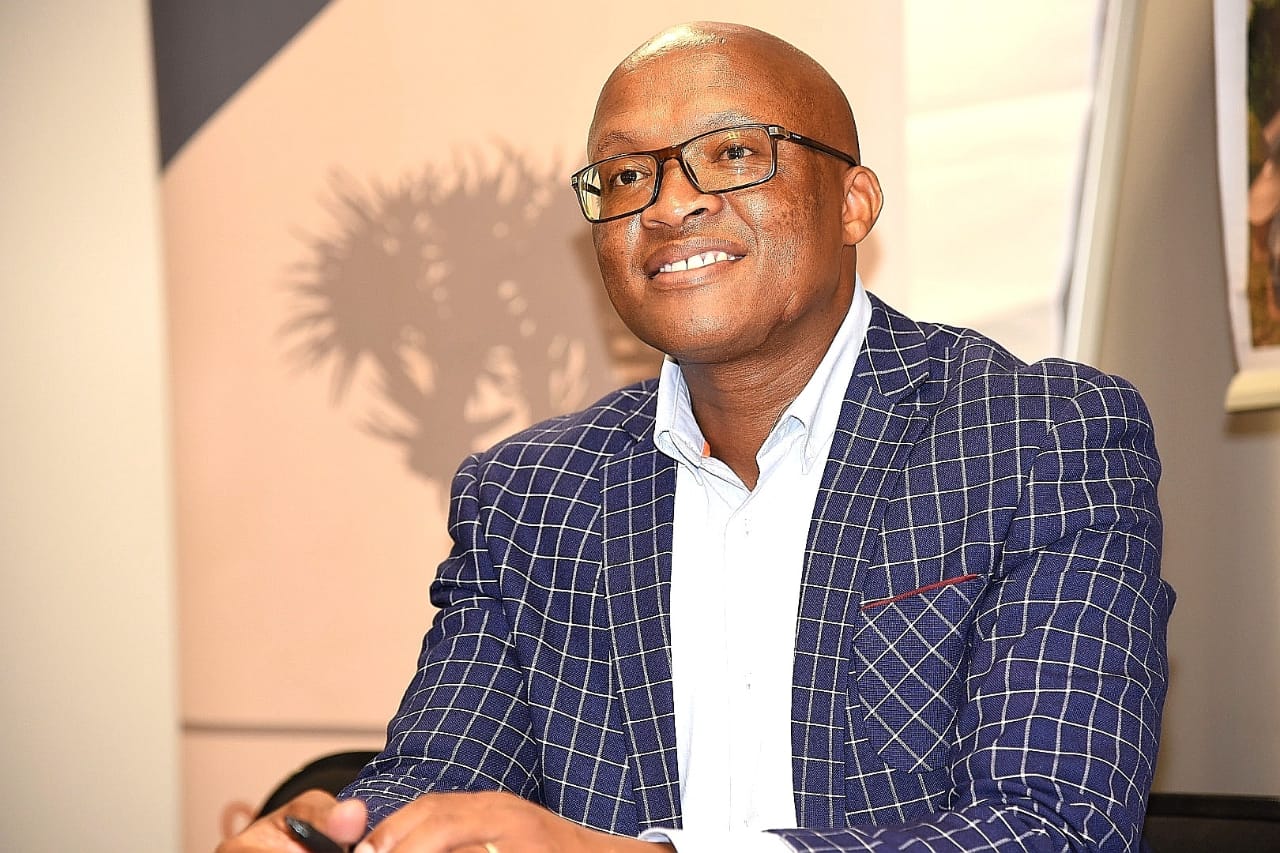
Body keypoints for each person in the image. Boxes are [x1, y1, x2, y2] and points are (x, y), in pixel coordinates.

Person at [222, 21, 1173, 853]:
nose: (669, 203)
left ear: (854, 203)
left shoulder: (1039, 436)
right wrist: (352, 833)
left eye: (731, 153)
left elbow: (1053, 825)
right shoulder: (528, 496)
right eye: (627, 175)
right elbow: (444, 779)